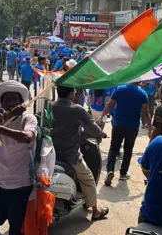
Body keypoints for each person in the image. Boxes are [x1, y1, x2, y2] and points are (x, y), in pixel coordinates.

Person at [0, 80, 36, 235]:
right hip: (1, 183)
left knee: (15, 228)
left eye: (15, 99)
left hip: (21, 185)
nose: (11, 103)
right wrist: (4, 118)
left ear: (21, 102)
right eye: (8, 100)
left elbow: (27, 137)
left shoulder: (28, 119)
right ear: (2, 103)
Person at [51, 86, 109, 221]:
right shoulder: (76, 109)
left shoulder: (50, 106)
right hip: (70, 155)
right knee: (88, 178)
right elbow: (92, 126)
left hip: (51, 152)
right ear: (72, 93)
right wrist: (100, 133)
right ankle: (95, 210)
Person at [102, 83, 151, 186]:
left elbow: (109, 104)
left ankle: (110, 170)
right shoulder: (142, 93)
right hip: (133, 126)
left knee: (114, 148)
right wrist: (149, 127)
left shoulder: (119, 89)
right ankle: (123, 173)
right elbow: (146, 112)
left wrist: (102, 117)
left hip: (118, 124)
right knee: (128, 149)